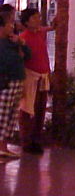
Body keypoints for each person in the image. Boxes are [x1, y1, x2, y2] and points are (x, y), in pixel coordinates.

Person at [19, 8, 53, 154]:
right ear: (26, 22)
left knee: (40, 108)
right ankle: (26, 141)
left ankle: (36, 139)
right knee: (28, 109)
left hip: (42, 76)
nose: (38, 19)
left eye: (38, 17)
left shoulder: (39, 34)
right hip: (30, 77)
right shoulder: (24, 38)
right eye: (34, 17)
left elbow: (50, 27)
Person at [0, 14, 30, 159]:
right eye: (9, 24)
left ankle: (4, 146)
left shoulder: (13, 41)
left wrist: (21, 43)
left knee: (11, 115)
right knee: (3, 114)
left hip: (17, 81)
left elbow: (28, 55)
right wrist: (19, 55)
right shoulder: (2, 44)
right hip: (6, 82)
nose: (12, 27)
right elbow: (10, 61)